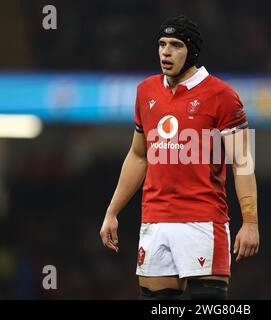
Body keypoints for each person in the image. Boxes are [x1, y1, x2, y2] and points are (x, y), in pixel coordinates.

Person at [100, 15, 259, 300]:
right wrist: (112, 211)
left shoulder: (222, 95)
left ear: (192, 51)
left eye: (175, 45)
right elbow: (138, 156)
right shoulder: (145, 91)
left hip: (203, 221)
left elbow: (242, 162)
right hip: (155, 220)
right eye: (162, 44)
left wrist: (250, 223)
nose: (165, 52)